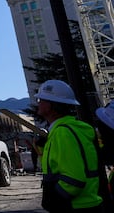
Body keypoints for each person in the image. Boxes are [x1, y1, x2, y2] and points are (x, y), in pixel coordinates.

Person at [36, 79, 103, 212]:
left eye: (41, 100)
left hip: (75, 206)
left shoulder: (63, 133)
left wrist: (55, 200)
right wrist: (42, 149)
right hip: (85, 204)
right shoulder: (69, 129)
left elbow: (74, 179)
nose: (38, 103)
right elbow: (56, 166)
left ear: (50, 106)